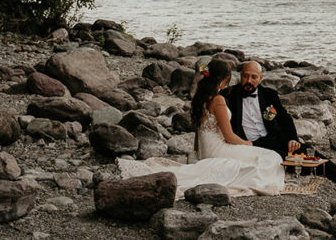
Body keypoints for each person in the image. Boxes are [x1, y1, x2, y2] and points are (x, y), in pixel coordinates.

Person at [118, 60, 284, 197]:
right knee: (271, 157)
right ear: (224, 80)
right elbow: (229, 137)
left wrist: (197, 153)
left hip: (206, 151)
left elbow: (199, 131)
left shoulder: (201, 97)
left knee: (262, 158)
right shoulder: (218, 100)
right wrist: (249, 144)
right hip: (219, 150)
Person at [222, 60, 336, 185]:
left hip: (272, 139)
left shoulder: (269, 95)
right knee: (288, 160)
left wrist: (292, 139)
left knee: (305, 150)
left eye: (253, 77)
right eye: (245, 76)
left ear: (260, 78)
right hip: (249, 145)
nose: (248, 81)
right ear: (240, 76)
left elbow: (284, 118)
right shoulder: (229, 95)